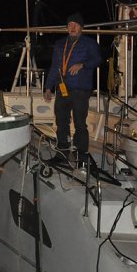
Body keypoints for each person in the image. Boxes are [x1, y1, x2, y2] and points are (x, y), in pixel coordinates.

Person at [43, 12, 101, 165]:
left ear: (81, 27)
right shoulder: (60, 43)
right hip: (62, 89)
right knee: (61, 122)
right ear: (67, 28)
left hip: (80, 90)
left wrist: (82, 65)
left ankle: (82, 157)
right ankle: (62, 155)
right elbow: (55, 66)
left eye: (75, 24)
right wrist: (48, 87)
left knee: (80, 123)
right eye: (70, 25)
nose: (72, 27)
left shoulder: (89, 43)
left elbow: (97, 60)